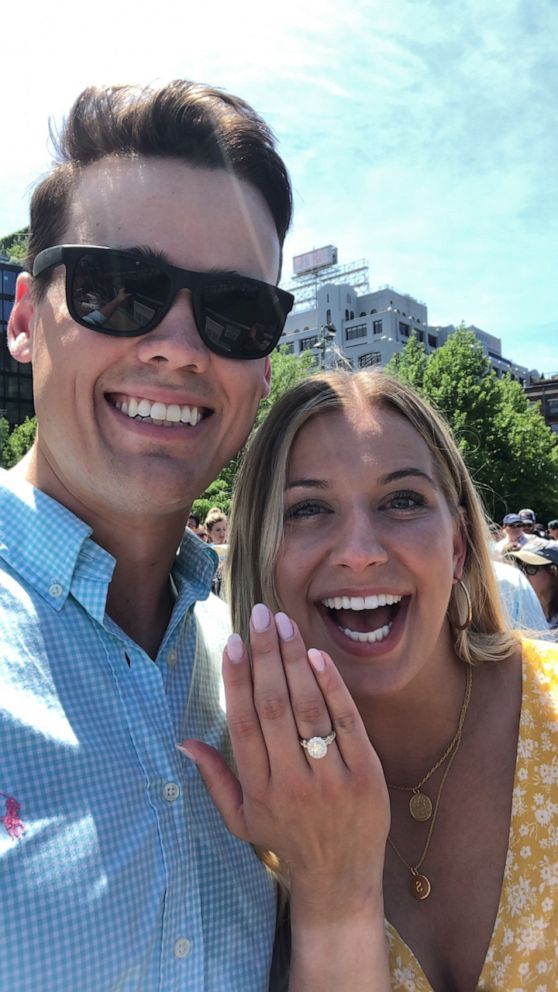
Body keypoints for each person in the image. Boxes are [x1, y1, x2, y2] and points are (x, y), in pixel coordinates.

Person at [0, 79, 365, 992]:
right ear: (22, 321)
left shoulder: (264, 665)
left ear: (262, 360)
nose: (176, 344)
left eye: (234, 310)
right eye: (119, 288)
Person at [183, 370, 558, 992]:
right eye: (307, 509)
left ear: (461, 546)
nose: (360, 551)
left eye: (403, 501)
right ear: (260, 557)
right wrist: (330, 890)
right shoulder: (249, 800)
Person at [507, 539, 558, 633]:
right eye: (519, 566)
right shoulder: (510, 611)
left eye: (530, 568)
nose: (521, 573)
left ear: (554, 573)